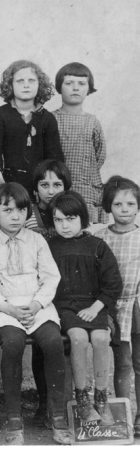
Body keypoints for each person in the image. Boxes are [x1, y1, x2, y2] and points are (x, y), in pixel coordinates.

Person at [0, 183, 71, 445]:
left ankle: (57, 414)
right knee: (13, 344)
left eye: (21, 210)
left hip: (36, 306)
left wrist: (37, 304)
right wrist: (9, 308)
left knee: (53, 342)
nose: (15, 216)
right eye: (8, 210)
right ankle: (14, 417)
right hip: (6, 309)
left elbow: (51, 277)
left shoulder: (36, 239)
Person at [48, 191, 121, 426]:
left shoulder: (98, 246)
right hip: (65, 306)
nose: (64, 225)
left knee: (101, 338)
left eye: (70, 219)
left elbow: (112, 283)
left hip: (94, 304)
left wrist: (96, 307)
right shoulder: (49, 246)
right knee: (78, 338)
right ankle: (82, 398)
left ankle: (101, 397)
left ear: (82, 217)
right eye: (58, 220)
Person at [93, 176, 140, 434]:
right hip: (113, 308)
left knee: (139, 362)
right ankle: (125, 417)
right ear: (108, 207)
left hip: (138, 305)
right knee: (122, 363)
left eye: (131, 204)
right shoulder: (101, 239)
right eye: (118, 204)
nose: (125, 209)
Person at [0, 60, 64, 193]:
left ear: (40, 85)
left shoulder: (47, 118)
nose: (26, 85)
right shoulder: (0, 114)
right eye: (20, 81)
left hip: (40, 188)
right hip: (6, 186)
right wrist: (3, 186)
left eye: (31, 81)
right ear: (10, 85)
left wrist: (45, 188)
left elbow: (55, 160)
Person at [52, 62, 108, 223]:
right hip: (57, 188)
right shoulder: (51, 119)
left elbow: (100, 155)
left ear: (89, 88)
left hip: (87, 189)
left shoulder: (92, 122)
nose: (75, 88)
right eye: (69, 83)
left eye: (81, 84)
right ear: (59, 87)